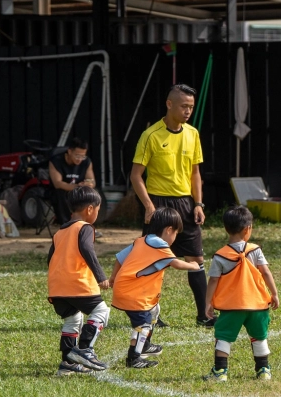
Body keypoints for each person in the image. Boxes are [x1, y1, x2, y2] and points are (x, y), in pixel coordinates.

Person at [130, 84, 211, 328]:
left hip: (185, 204)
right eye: (184, 106)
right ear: (169, 104)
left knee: (196, 258)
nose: (188, 111)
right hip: (159, 204)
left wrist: (198, 203)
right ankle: (150, 315)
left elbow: (195, 172)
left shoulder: (193, 133)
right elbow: (136, 175)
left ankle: (204, 315)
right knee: (153, 260)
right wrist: (148, 206)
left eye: (191, 107)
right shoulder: (151, 135)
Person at [109, 208, 201, 369]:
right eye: (176, 234)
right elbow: (176, 263)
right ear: (169, 230)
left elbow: (120, 257)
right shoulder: (159, 244)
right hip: (133, 294)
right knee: (143, 324)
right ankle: (134, 358)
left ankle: (145, 345)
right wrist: (193, 265)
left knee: (153, 311)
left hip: (130, 290)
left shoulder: (142, 240)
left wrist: (113, 278)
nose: (174, 238)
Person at [203, 206, 280, 382]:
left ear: (225, 228)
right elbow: (266, 273)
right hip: (258, 306)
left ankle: (220, 372)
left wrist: (208, 302)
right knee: (259, 336)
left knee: (223, 337)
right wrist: (274, 293)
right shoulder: (255, 250)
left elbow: (213, 280)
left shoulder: (220, 256)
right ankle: (263, 370)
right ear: (247, 229)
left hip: (232, 307)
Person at [46, 186, 110, 376]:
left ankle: (67, 363)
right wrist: (100, 276)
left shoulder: (59, 233)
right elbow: (86, 249)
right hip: (77, 284)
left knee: (73, 319)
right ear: (90, 209)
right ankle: (84, 351)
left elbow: (50, 259)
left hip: (57, 288)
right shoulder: (85, 227)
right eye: (98, 210)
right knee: (101, 310)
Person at [48, 137, 95, 224]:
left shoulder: (87, 162)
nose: (80, 159)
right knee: (59, 193)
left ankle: (87, 224)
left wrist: (88, 184)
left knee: (93, 194)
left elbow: (92, 180)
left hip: (79, 191)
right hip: (61, 191)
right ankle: (67, 224)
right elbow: (57, 183)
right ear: (69, 151)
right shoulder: (56, 161)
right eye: (77, 155)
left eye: (83, 156)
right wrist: (77, 187)